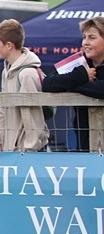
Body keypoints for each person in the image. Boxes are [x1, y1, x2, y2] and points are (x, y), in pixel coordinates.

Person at [41, 15, 104, 153]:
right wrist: (80, 75)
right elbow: (48, 83)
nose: (85, 42)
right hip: (84, 142)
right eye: (84, 37)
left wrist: (71, 83)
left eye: (91, 38)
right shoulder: (79, 63)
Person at [0, 19, 49, 153]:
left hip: (26, 151)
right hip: (10, 148)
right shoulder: (6, 71)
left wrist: (29, 148)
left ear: (9, 45)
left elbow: (33, 117)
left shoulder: (27, 74)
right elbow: (2, 108)